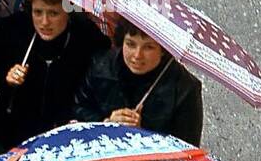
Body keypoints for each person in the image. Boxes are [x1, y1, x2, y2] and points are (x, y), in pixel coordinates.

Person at [0, 0, 110, 153]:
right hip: (9, 132)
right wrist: (6, 78)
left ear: (68, 12)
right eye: (38, 12)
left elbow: (95, 90)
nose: (44, 22)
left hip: (60, 139)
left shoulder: (87, 40)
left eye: (53, 13)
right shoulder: (10, 31)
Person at [74, 20, 203, 146]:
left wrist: (143, 134)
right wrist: (106, 122)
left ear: (163, 49)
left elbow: (186, 147)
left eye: (149, 47)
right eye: (130, 44)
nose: (137, 55)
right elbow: (79, 108)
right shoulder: (101, 65)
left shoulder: (185, 89)